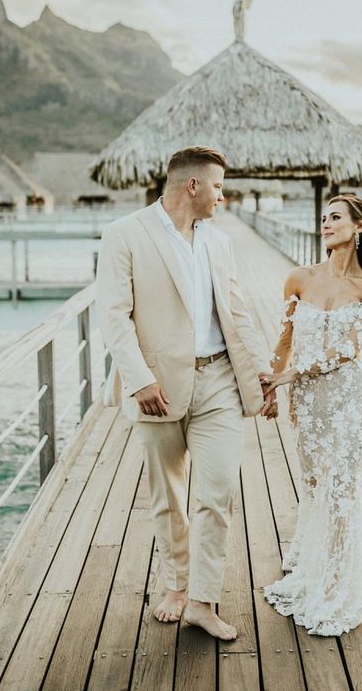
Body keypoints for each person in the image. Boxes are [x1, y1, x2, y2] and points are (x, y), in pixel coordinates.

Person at [96, 146, 276, 641]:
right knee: (169, 497)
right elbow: (113, 315)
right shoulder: (124, 235)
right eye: (218, 186)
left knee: (216, 493)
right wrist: (138, 380)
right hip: (156, 387)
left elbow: (237, 314)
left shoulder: (219, 243)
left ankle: (202, 600)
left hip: (217, 380)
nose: (223, 195)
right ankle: (176, 584)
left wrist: (262, 371)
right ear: (192, 186)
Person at [262, 193, 362, 636]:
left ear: (359, 228)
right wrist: (275, 385)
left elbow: (350, 348)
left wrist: (290, 375)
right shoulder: (299, 278)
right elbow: (285, 338)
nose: (326, 224)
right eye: (324, 218)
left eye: (336, 218)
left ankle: (337, 578)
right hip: (306, 400)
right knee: (314, 479)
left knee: (343, 481)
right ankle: (337, 550)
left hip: (349, 398)